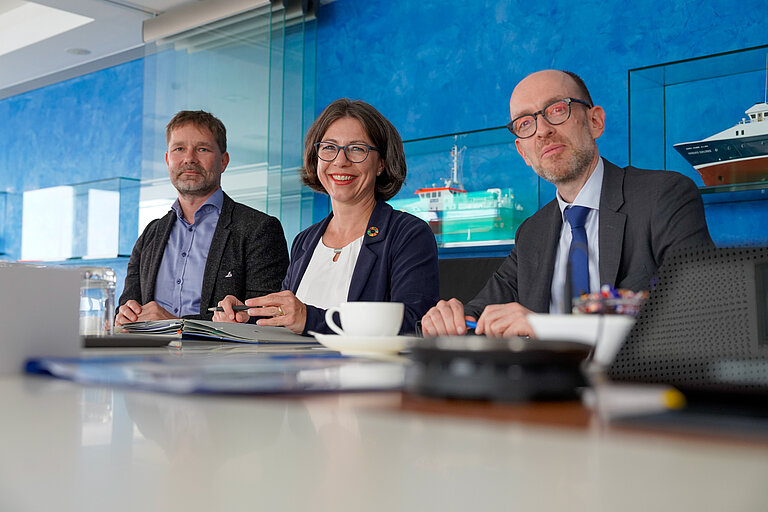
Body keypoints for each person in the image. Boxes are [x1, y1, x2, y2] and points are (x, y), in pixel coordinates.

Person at [421, 69, 714, 338]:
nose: (542, 130)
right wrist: (449, 318)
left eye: (557, 109)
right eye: (525, 123)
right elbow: (479, 314)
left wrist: (546, 328)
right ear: (523, 153)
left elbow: (701, 308)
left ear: (595, 121)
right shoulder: (531, 233)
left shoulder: (664, 196)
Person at [213, 98, 439, 335]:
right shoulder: (305, 240)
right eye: (329, 148)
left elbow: (416, 324)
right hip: (299, 370)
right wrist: (246, 319)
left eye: (357, 149)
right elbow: (290, 322)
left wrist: (308, 318)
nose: (340, 161)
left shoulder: (408, 235)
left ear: (381, 163)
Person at [116, 110, 289, 325]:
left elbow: (266, 320)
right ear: (168, 159)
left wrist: (174, 323)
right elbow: (126, 307)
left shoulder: (259, 229)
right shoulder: (150, 235)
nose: (189, 158)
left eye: (202, 149)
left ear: (223, 161)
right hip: (149, 357)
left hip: (223, 358)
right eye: (179, 149)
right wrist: (125, 314)